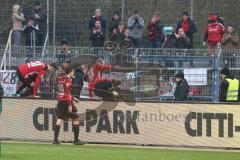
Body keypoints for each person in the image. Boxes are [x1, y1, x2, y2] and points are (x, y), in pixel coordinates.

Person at [53, 65, 85, 145]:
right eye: (73, 71)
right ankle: (76, 140)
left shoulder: (59, 78)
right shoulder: (69, 80)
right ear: (70, 71)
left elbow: (62, 91)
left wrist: (73, 98)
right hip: (67, 102)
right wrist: (70, 104)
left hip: (60, 101)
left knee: (59, 119)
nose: (74, 72)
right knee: (76, 118)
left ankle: (55, 140)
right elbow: (67, 93)